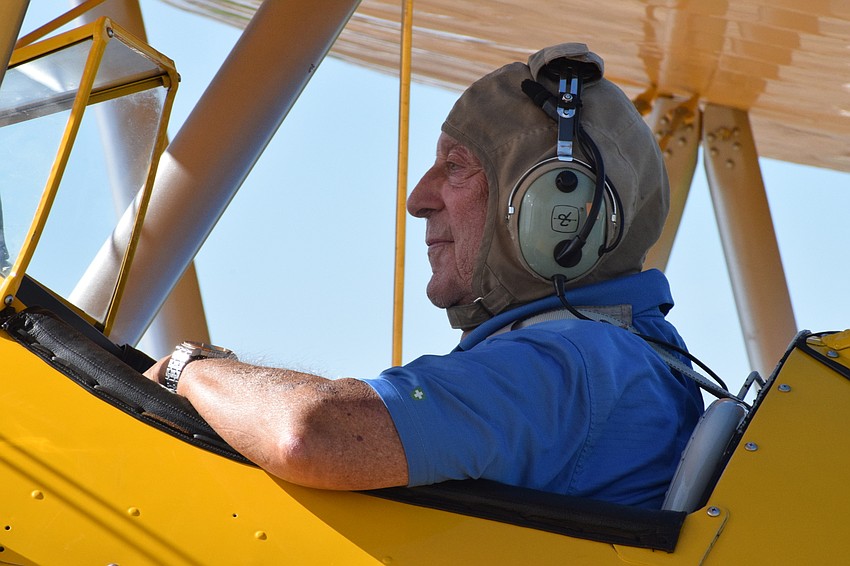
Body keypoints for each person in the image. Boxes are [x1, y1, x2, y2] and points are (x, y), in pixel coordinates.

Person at [145, 43, 704, 509]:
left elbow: (311, 434)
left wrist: (188, 369)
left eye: (456, 167)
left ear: (556, 211)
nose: (418, 200)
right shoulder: (626, 356)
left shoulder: (567, 367)